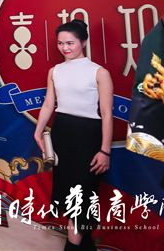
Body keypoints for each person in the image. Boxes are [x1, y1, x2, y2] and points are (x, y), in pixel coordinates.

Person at [34, 19, 113, 251]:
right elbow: (49, 104)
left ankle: (73, 245)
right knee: (69, 194)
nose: (65, 48)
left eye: (70, 43)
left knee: (82, 196)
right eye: (60, 43)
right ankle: (84, 245)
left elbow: (107, 114)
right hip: (62, 135)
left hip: (88, 138)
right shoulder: (55, 71)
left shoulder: (99, 72)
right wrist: (38, 131)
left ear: (83, 42)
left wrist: (105, 151)